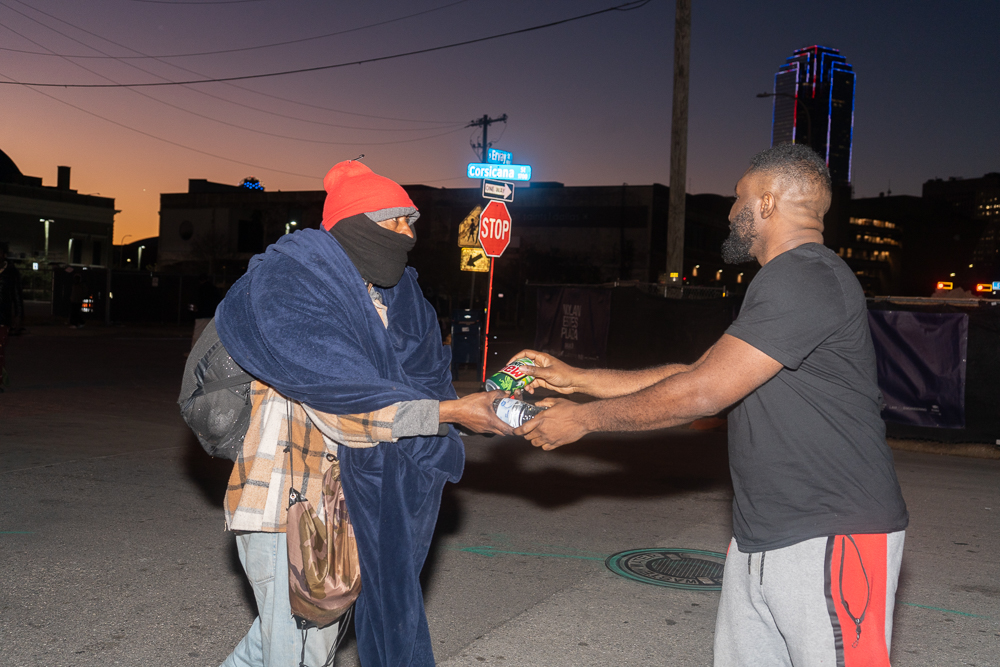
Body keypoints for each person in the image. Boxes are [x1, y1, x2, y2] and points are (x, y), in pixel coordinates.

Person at [514, 144, 909, 667]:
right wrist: (578, 381)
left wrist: (581, 420)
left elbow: (702, 395)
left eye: (739, 197)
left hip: (830, 534)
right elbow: (698, 375)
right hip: (764, 536)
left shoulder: (806, 276)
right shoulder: (788, 281)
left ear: (767, 202)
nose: (729, 211)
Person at [214, 159, 511, 667]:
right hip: (288, 503)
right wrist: (453, 411)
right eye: (392, 221)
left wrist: (458, 410)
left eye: (410, 222)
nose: (407, 234)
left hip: (343, 505)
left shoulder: (388, 299)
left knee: (272, 647)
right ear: (353, 224)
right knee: (301, 655)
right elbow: (345, 407)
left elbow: (416, 379)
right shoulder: (295, 289)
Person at [0, 243, 25, 390]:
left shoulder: (11, 273)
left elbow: (17, 296)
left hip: (3, 317)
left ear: (3, 254)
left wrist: (19, 315)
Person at [190, 273, 220, 346]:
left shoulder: (200, 289)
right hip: (212, 314)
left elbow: (197, 301)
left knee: (198, 333)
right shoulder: (213, 288)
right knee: (210, 335)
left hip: (201, 314)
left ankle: (194, 353)